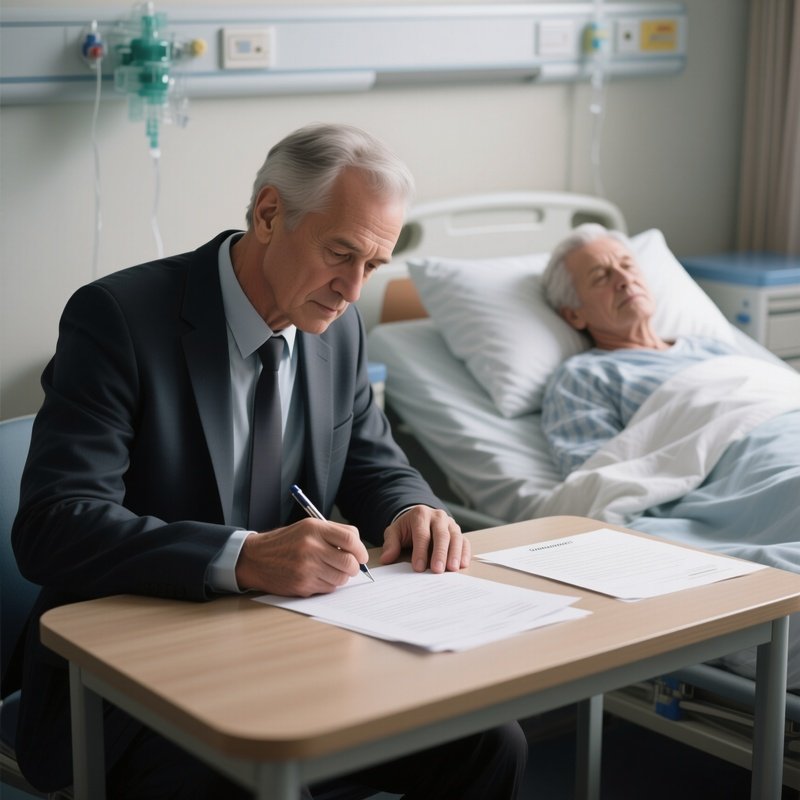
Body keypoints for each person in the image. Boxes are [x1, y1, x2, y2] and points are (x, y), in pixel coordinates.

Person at [11, 123, 528, 799]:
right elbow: (55, 525)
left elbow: (372, 461)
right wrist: (243, 556)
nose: (351, 288)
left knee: (490, 744)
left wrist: (414, 508)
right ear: (268, 213)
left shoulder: (336, 329)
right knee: (249, 779)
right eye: (339, 253)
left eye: (373, 266)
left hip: (288, 654)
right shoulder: (120, 318)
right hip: (135, 678)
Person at [539, 223, 740, 477]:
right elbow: (596, 478)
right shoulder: (584, 377)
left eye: (628, 265)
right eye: (601, 276)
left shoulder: (713, 348)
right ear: (574, 315)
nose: (624, 279)